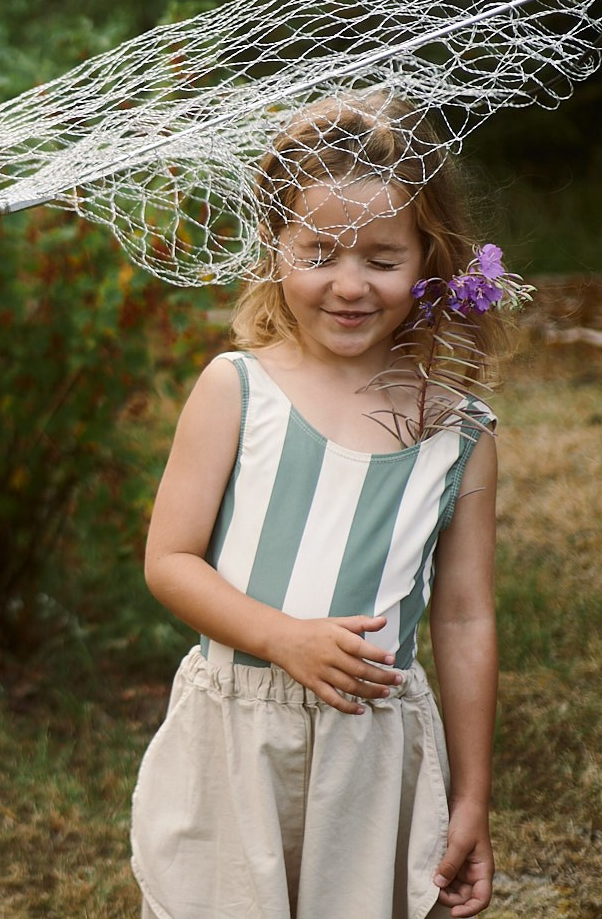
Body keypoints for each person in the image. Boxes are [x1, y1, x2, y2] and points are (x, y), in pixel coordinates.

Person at [132, 94, 514, 919]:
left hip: (370, 756)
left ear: (429, 259)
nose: (349, 284)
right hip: (236, 742)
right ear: (277, 249)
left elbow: (463, 618)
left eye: (382, 257)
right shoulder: (236, 389)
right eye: (320, 252)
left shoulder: (458, 432)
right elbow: (170, 560)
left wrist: (472, 796)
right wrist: (283, 637)